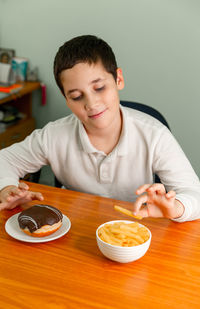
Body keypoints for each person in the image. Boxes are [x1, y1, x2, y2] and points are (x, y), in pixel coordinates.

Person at [0, 35, 200, 222]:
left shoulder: (155, 136)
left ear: (118, 79)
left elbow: (194, 194)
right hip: (77, 228)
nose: (92, 103)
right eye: (77, 96)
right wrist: (6, 188)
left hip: (134, 228)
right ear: (67, 100)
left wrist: (176, 208)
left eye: (99, 88)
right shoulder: (53, 136)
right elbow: (4, 160)